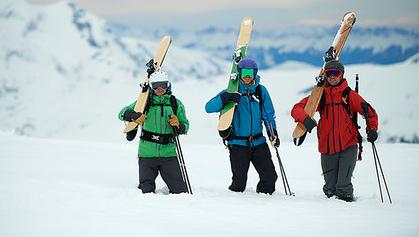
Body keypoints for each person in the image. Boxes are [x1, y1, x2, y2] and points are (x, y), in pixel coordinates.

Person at [291, 59, 378, 202]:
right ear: (325, 75)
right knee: (330, 189)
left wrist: (372, 129)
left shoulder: (349, 95)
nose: (332, 76)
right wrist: (306, 119)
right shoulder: (320, 95)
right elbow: (296, 108)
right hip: (327, 147)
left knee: (343, 187)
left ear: (341, 75)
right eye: (329, 73)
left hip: (348, 145)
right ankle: (332, 217)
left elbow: (369, 111)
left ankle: (348, 214)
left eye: (335, 73)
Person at [205, 58, 279, 194]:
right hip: (238, 143)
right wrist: (226, 98)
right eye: (244, 72)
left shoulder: (261, 91)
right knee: (239, 183)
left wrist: (272, 132)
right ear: (239, 73)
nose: (247, 76)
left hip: (258, 141)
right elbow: (209, 107)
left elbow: (268, 114)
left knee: (270, 178)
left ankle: (264, 201)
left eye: (250, 73)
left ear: (255, 74)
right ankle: (237, 208)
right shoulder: (231, 91)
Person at [118, 70, 190, 194]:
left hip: (169, 154)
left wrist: (179, 125)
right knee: (146, 192)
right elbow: (121, 113)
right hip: (147, 154)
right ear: (151, 87)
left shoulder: (175, 104)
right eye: (156, 86)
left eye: (163, 85)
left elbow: (186, 126)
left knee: (180, 191)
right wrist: (133, 115)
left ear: (169, 85)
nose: (160, 89)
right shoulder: (144, 103)